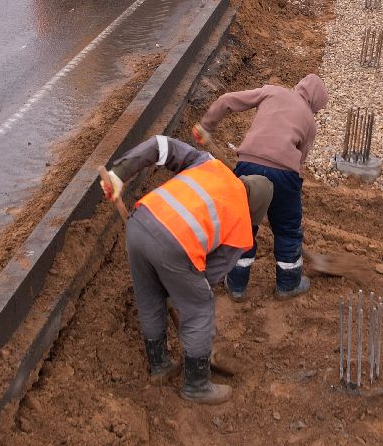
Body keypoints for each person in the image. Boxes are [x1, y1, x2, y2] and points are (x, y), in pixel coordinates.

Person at [101, 135, 273, 404]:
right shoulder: (242, 225)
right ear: (256, 212)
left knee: (149, 297)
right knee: (200, 305)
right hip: (172, 245)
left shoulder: (210, 164)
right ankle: (197, 385)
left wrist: (120, 173)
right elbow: (206, 278)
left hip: (139, 224)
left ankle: (160, 366)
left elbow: (160, 145)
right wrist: (180, 290)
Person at [192, 75, 328, 301]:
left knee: (242, 223)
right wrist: (285, 191)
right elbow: (300, 161)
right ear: (314, 103)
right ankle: (288, 284)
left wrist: (206, 126)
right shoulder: (310, 123)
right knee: (287, 228)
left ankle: (236, 284)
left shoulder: (272, 91)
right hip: (285, 174)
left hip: (248, 164)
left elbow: (227, 99)